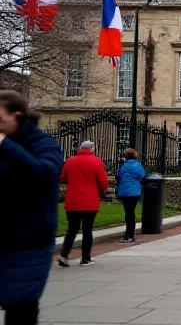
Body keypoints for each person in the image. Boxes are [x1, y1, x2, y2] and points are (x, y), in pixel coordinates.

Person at [0, 90, 62, 324]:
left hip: (28, 241)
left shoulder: (44, 143)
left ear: (17, 115)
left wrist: (4, 144)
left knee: (20, 308)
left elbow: (44, 175)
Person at [59, 140, 109, 267]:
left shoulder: (70, 161)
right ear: (92, 149)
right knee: (87, 229)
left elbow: (63, 178)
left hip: (73, 200)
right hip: (90, 200)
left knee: (72, 229)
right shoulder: (96, 161)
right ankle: (85, 258)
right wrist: (99, 191)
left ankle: (64, 255)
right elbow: (103, 182)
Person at [116, 148, 146, 243]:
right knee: (131, 213)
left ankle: (128, 233)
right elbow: (142, 175)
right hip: (134, 192)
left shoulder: (123, 166)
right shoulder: (137, 165)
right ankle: (129, 235)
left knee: (128, 212)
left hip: (123, 192)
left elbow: (118, 176)